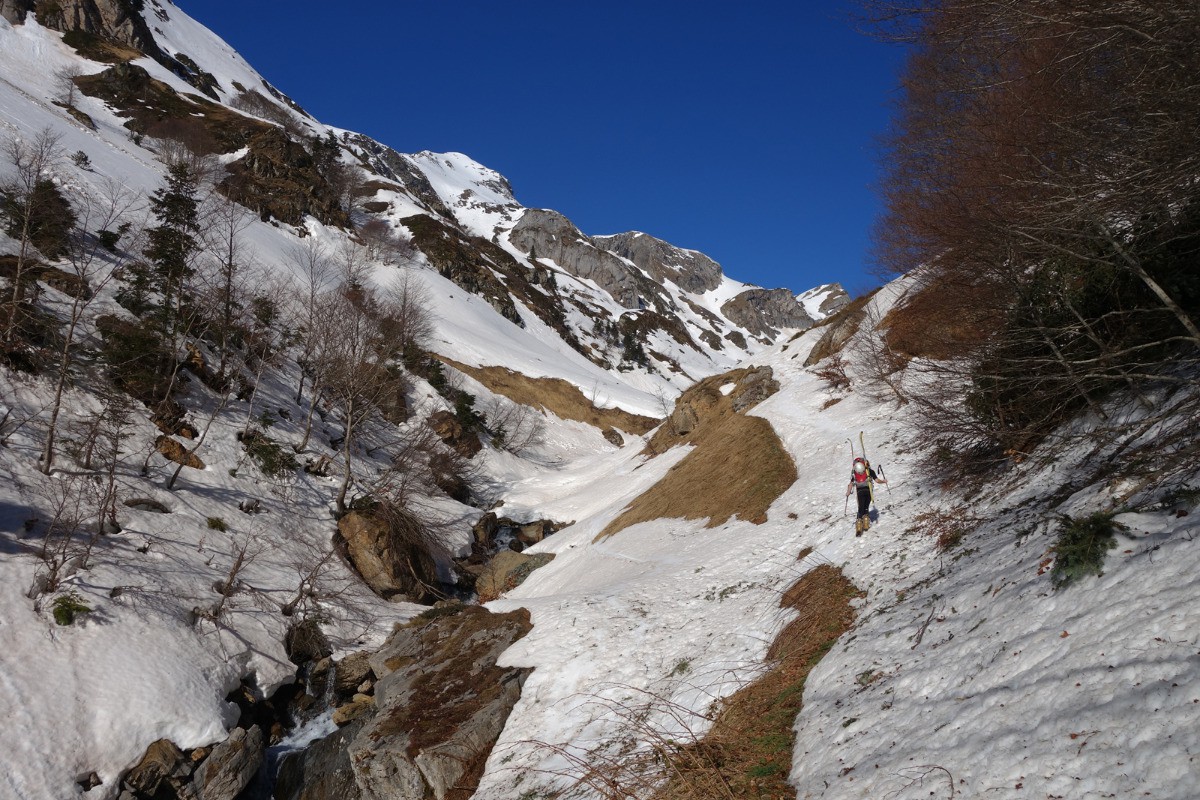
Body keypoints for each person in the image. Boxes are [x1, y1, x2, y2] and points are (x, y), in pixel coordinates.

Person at [846, 457, 886, 536]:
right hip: (868, 491)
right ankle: (866, 523)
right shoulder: (869, 471)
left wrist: (848, 492)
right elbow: (877, 480)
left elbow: (851, 484)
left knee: (860, 508)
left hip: (859, 491)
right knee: (866, 507)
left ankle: (859, 526)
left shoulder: (855, 472)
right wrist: (883, 481)